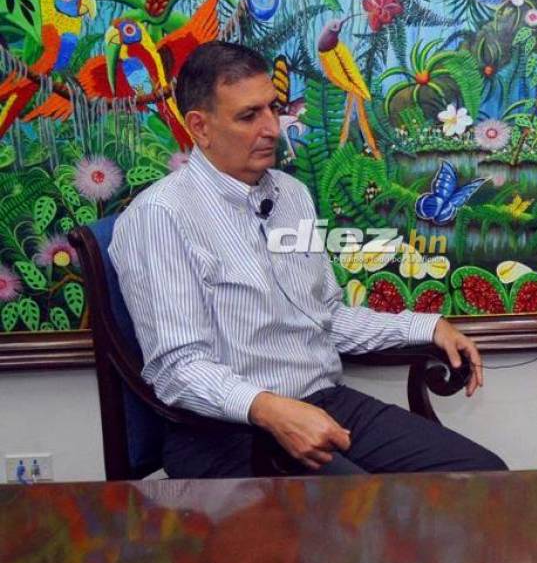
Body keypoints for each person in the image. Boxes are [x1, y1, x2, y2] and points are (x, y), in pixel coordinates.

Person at [110, 41, 506, 478]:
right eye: (249, 115)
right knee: (372, 518)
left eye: (273, 108)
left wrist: (425, 326)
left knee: (482, 478)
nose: (272, 128)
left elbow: (325, 316)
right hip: (227, 433)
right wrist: (270, 410)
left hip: (323, 402)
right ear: (199, 128)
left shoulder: (290, 194)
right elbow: (178, 370)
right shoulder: (160, 217)